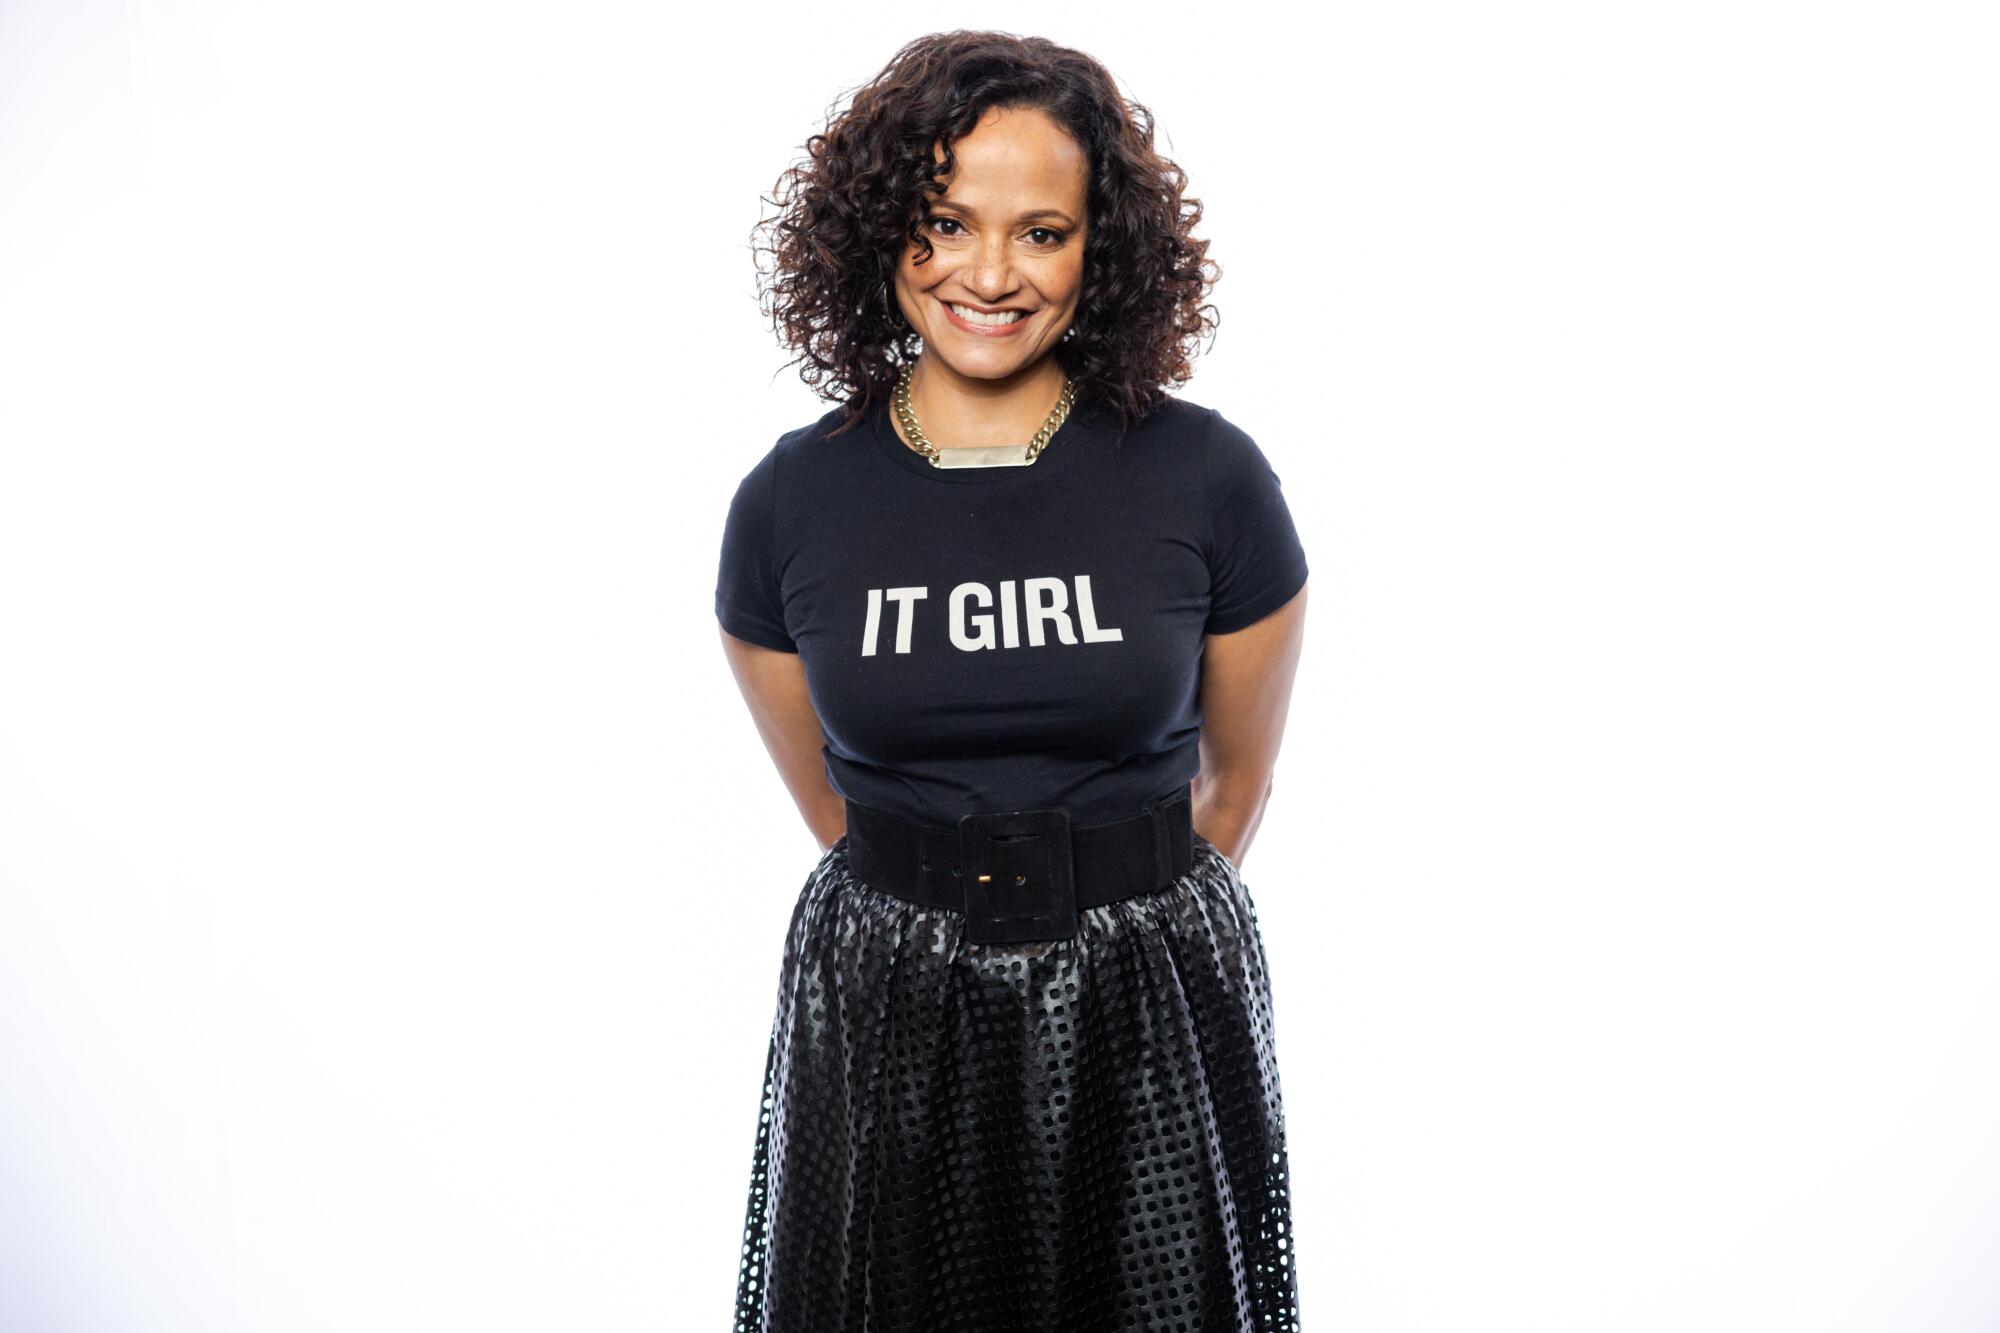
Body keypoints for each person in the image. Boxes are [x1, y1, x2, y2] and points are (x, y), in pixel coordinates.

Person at [714, 30, 1309, 1333]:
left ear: (1102, 250)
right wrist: (948, 926)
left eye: (1041, 231)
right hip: (887, 1009)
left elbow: (1238, 777)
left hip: (1145, 1006)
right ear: (883, 230)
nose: (990, 274)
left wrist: (1100, 920)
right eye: (945, 222)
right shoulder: (790, 502)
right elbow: (836, 798)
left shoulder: (1208, 480)